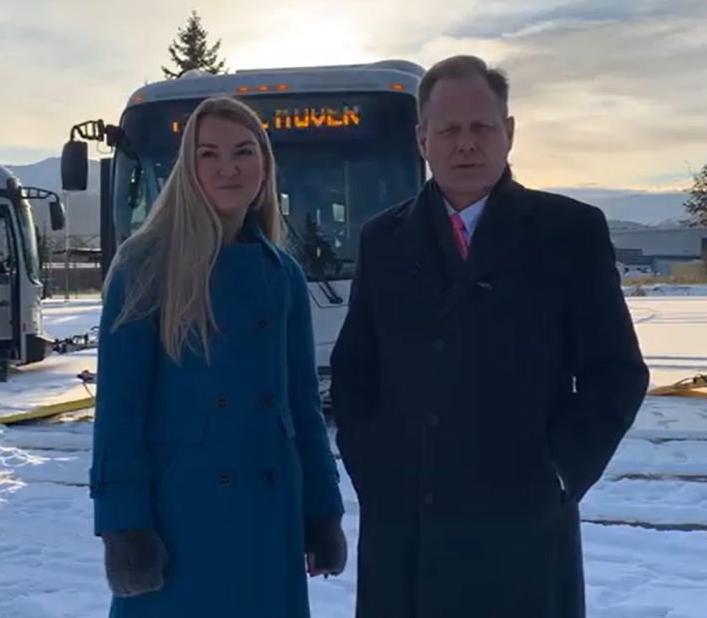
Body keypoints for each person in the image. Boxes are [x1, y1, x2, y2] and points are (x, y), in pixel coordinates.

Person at [329, 55, 650, 618]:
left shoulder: (567, 232)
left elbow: (616, 372)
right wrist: (373, 465)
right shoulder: (383, 239)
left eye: (482, 127)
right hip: (408, 525)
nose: (466, 144)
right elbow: (356, 368)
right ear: (422, 139)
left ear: (509, 133)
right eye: (449, 130)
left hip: (521, 527)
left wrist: (559, 471)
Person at [88, 96, 347, 618]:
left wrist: (323, 510)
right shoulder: (143, 264)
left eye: (243, 151)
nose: (228, 167)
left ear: (265, 164)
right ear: (189, 168)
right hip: (182, 516)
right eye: (209, 154)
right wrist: (124, 526)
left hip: (269, 512)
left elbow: (302, 409)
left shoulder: (283, 275)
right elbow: (118, 412)